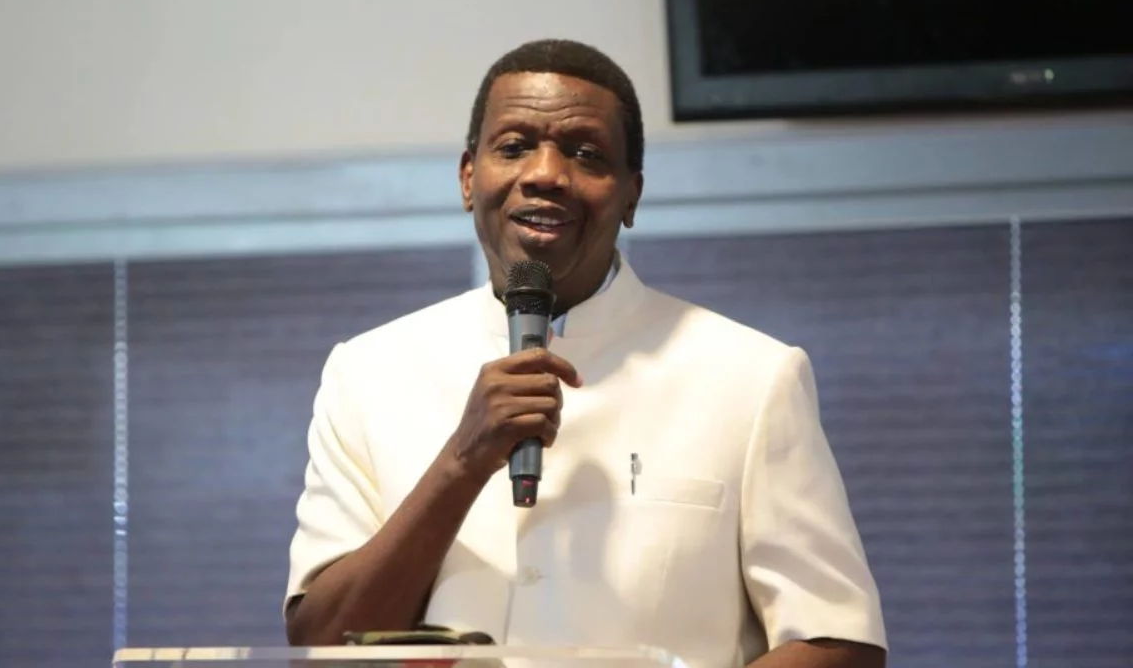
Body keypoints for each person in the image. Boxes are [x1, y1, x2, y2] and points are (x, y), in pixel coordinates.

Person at [283, 38, 888, 668]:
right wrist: (462, 461)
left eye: (586, 153)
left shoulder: (753, 376)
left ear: (631, 196)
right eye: (513, 147)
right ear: (468, 178)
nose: (546, 174)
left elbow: (838, 642)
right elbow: (324, 639)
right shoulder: (368, 372)